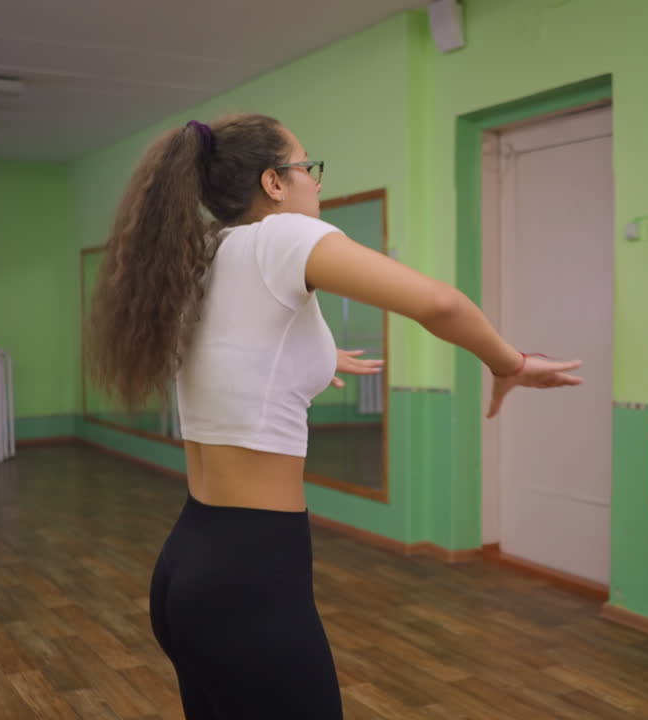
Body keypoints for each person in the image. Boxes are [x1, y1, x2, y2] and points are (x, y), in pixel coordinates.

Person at [87, 113, 583, 720]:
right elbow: (440, 303)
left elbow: (240, 357)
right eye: (307, 169)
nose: (314, 184)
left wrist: (321, 358)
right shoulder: (285, 239)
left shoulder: (209, 253)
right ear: (274, 182)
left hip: (188, 564)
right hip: (250, 576)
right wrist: (510, 362)